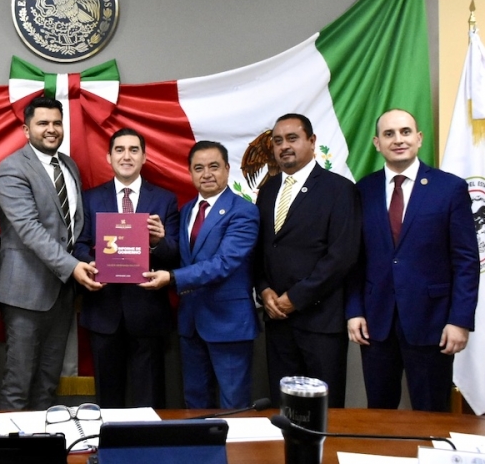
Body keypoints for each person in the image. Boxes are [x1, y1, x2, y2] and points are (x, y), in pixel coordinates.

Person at [346, 109, 479, 412]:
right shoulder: (362, 190)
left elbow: (466, 261)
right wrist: (354, 311)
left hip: (433, 322)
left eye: (405, 132)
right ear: (376, 143)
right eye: (389, 134)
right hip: (376, 323)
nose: (398, 140)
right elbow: (355, 259)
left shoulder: (450, 189)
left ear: (418, 139)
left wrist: (459, 320)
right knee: (379, 412)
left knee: (432, 411)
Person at [0, 95, 101, 410]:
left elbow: (74, 225)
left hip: (63, 293)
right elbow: (29, 229)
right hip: (25, 293)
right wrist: (73, 267)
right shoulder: (11, 168)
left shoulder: (69, 166)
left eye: (57, 122)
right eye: (42, 123)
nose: (51, 129)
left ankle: (44, 448)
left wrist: (84, 263)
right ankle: (10, 455)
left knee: (48, 383)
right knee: (18, 382)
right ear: (27, 129)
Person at [254, 114, 361, 408]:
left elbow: (342, 256)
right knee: (283, 410)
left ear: (312, 142)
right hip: (277, 322)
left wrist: (296, 298)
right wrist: (264, 289)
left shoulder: (340, 189)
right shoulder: (267, 191)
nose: (284, 146)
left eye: (292, 138)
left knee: (325, 412)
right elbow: (261, 250)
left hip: (321, 322)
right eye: (278, 141)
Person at [144, 141, 259, 409]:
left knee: (234, 405)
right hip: (191, 322)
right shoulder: (186, 211)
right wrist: (159, 243)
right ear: (190, 173)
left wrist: (171, 278)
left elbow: (224, 263)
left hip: (229, 324)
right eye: (199, 168)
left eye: (214, 167)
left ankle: (238, 453)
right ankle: (201, 452)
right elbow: (185, 256)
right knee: (194, 402)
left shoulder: (244, 212)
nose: (206, 174)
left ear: (228, 170)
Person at [73, 128, 180, 408]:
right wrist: (90, 263)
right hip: (103, 310)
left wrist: (157, 241)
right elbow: (80, 244)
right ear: (108, 157)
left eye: (134, 150)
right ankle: (108, 451)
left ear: (144, 157)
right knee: (108, 400)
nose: (126, 156)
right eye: (119, 150)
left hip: (147, 311)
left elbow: (175, 254)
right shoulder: (91, 198)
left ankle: (147, 451)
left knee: (150, 397)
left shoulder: (165, 199)